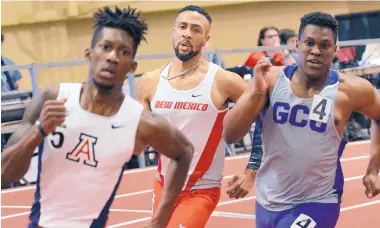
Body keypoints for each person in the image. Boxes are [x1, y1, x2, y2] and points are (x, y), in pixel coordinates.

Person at [1, 6, 194, 228]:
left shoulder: (140, 122)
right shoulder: (52, 99)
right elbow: (5, 175)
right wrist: (39, 131)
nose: (112, 57)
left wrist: (159, 222)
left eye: (123, 52)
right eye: (105, 47)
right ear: (89, 54)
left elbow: (184, 152)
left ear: (131, 67)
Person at [223, 11, 380, 228]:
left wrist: (373, 168)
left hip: (319, 201)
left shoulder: (352, 90)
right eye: (309, 43)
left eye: (325, 45)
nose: (316, 51)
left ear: (335, 49)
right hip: (268, 201)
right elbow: (230, 135)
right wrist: (256, 94)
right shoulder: (270, 79)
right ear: (297, 44)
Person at [137, 5, 246, 228]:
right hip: (163, 185)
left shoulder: (224, 81)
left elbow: (265, 112)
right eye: (183, 27)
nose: (187, 33)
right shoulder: (150, 81)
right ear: (174, 31)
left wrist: (251, 169)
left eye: (196, 30)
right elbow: (140, 138)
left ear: (206, 38)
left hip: (201, 189)